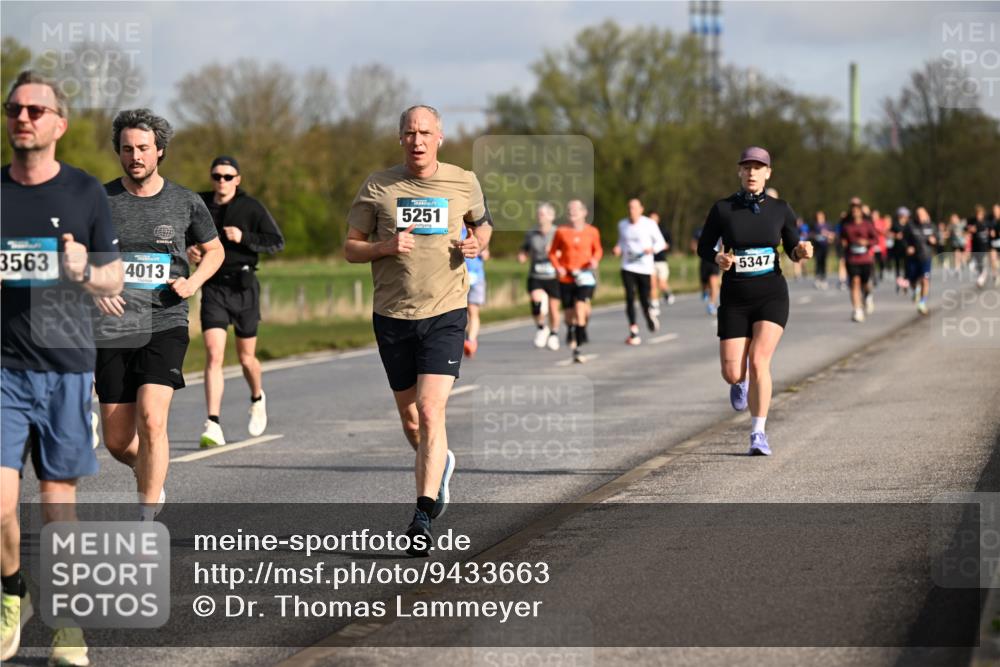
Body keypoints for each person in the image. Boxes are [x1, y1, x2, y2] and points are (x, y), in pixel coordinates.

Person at [2, 70, 124, 667]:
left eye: (35, 110)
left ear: (59, 124)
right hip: (3, 369)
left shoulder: (84, 192)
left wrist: (82, 272)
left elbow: (113, 279)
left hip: (65, 366)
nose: (22, 118)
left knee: (57, 507)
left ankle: (68, 623)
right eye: (14, 109)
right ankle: (11, 589)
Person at [344, 105, 491, 556]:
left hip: (446, 311)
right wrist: (385, 246)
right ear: (400, 138)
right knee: (412, 420)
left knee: (430, 411)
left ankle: (422, 515)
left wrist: (476, 243)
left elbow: (483, 227)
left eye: (425, 132)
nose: (417, 140)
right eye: (410, 133)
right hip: (392, 314)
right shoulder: (378, 186)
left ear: (439, 137)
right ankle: (439, 462)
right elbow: (351, 248)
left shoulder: (463, 181)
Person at [94, 109, 223, 521]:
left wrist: (193, 281)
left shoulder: (185, 201)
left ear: (160, 151)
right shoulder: (99, 200)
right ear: (118, 152)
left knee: (152, 418)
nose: (135, 156)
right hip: (113, 327)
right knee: (117, 441)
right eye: (127, 149)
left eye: (143, 148)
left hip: (165, 320)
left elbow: (215, 250)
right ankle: (149, 470)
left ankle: (146, 518)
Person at [696, 147, 812, 456]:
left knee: (759, 361)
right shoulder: (723, 209)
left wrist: (801, 252)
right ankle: (740, 382)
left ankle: (758, 433)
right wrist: (718, 257)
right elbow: (704, 246)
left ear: (768, 173)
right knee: (733, 373)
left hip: (771, 295)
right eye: (747, 167)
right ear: (739, 171)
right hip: (735, 297)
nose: (752, 172)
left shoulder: (781, 209)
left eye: (758, 168)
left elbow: (792, 248)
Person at [191, 156, 285, 448]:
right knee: (214, 354)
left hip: (244, 287)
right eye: (217, 176)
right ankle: (213, 423)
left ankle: (257, 397)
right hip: (214, 287)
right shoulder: (199, 204)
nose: (222, 181)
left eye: (228, 176)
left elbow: (276, 241)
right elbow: (183, 236)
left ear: (238, 179)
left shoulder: (251, 206)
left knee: (246, 359)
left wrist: (244, 237)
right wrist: (190, 250)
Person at [549, 199, 603, 363]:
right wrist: (558, 267)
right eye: (569, 209)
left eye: (575, 209)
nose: (572, 212)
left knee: (581, 308)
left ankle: (578, 348)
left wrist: (594, 260)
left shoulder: (592, 231)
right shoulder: (561, 231)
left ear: (584, 212)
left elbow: (598, 249)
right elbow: (552, 253)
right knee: (569, 315)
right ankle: (572, 329)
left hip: (585, 276)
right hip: (566, 277)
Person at [613, 198, 665, 345]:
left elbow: (661, 242)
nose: (632, 211)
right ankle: (633, 330)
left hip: (644, 268)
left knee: (643, 299)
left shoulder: (649, 224)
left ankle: (648, 316)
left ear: (641, 209)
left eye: (635, 208)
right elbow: (622, 242)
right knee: (629, 297)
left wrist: (652, 249)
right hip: (628, 266)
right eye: (629, 208)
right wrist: (618, 249)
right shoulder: (622, 224)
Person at [517, 203, 561, 350]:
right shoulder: (531, 233)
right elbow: (524, 248)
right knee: (536, 302)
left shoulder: (558, 233)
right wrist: (522, 255)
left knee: (553, 309)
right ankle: (542, 328)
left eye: (542, 214)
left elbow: (567, 251)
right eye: (538, 214)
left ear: (551, 217)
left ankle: (554, 334)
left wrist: (557, 253)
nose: (539, 217)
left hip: (554, 276)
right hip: (536, 275)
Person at [839, 200, 879, 322]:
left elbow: (876, 239)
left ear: (861, 212)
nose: (855, 212)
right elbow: (842, 238)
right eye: (853, 211)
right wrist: (843, 243)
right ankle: (857, 310)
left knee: (865, 284)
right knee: (854, 282)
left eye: (857, 210)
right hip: (852, 259)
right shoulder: (847, 226)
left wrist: (866, 242)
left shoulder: (867, 225)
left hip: (865, 259)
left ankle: (868, 296)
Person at [903, 206, 937, 315]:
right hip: (913, 258)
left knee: (925, 279)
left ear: (926, 215)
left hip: (926, 256)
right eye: (918, 215)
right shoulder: (910, 226)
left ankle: (922, 302)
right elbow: (904, 239)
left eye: (922, 214)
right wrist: (908, 247)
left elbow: (938, 238)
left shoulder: (931, 226)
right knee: (912, 281)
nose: (920, 217)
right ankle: (916, 290)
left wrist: (934, 240)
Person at [461, 224, 488, 358]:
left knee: (473, 310)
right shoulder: (452, 231)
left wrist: (481, 250)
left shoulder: (477, 232)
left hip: (476, 277)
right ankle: (467, 337)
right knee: (462, 312)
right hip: (459, 278)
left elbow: (486, 254)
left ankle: (471, 341)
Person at [691, 226, 721, 315]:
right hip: (705, 259)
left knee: (713, 282)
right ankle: (705, 290)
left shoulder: (722, 228)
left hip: (716, 259)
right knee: (704, 282)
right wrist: (696, 249)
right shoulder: (700, 230)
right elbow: (694, 242)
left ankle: (711, 304)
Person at [648, 211, 675, 307]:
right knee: (652, 284)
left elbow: (670, 244)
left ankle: (668, 293)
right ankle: (654, 304)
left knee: (661, 283)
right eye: (650, 218)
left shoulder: (663, 230)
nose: (652, 220)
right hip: (650, 261)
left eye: (654, 218)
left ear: (658, 219)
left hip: (661, 260)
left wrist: (662, 246)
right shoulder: (645, 230)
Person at [967, 205, 992, 288]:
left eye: (980, 214)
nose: (979, 216)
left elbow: (989, 231)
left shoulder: (986, 223)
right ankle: (982, 275)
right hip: (975, 246)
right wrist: (970, 229)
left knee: (978, 262)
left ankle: (981, 278)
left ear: (983, 215)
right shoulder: (973, 222)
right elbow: (968, 229)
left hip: (983, 247)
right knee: (975, 265)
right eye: (977, 214)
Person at [810, 210, 834, 289]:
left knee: (823, 262)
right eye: (818, 216)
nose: (819, 218)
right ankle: (817, 279)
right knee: (817, 262)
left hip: (824, 247)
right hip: (817, 247)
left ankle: (823, 279)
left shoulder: (828, 225)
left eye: (821, 216)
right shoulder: (814, 225)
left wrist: (827, 234)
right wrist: (815, 236)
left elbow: (832, 236)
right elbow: (810, 234)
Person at [891, 207, 912, 294]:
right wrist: (895, 236)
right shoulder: (895, 224)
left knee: (907, 267)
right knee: (898, 267)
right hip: (897, 248)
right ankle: (898, 283)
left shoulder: (909, 225)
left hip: (906, 248)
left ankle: (905, 284)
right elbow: (889, 233)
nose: (904, 217)